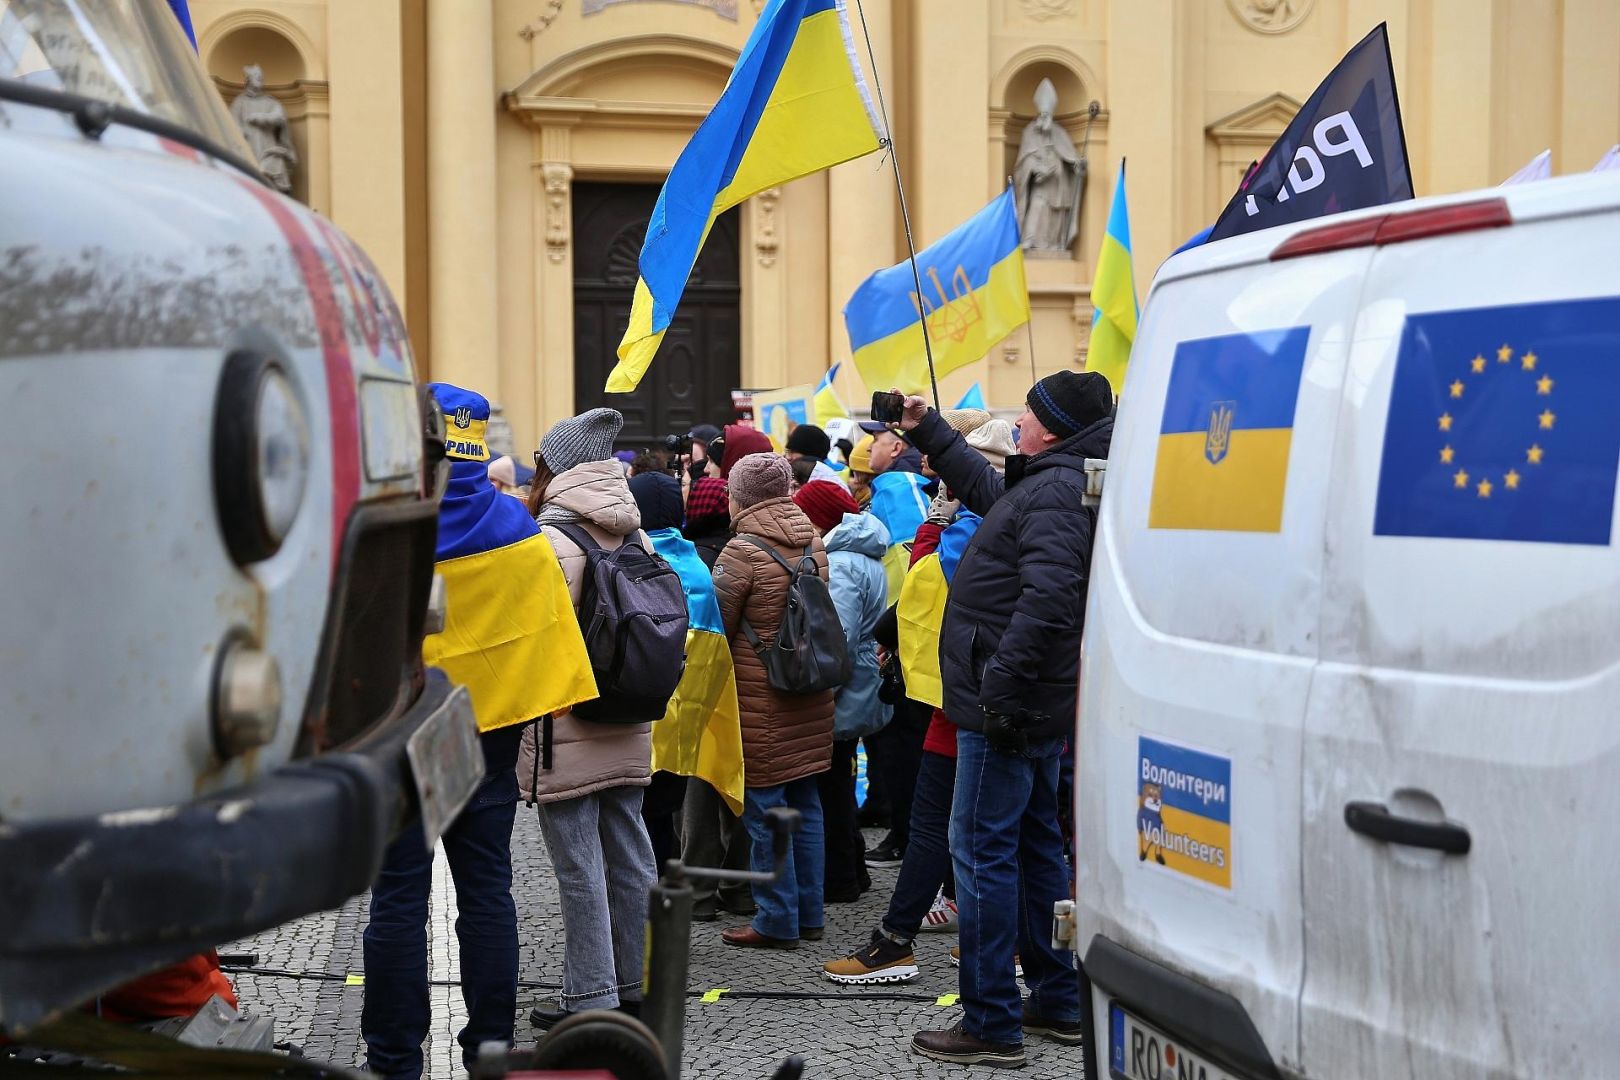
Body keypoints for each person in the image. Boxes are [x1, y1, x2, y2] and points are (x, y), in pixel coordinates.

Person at [366, 384, 593, 1080]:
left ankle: (394, 1059)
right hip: (488, 733)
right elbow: (548, 636)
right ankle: (491, 1051)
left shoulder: (389, 526)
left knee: (398, 895)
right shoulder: (520, 530)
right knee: (487, 890)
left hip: (403, 733)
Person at [898, 371, 1113, 1068]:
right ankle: (1054, 997)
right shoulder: (1054, 479)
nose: (1016, 419)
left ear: (1049, 424)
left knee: (982, 854)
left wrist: (999, 682)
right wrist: (930, 432)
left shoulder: (1052, 489)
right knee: (1034, 847)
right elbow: (994, 497)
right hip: (1030, 704)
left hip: (1006, 710)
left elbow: (1050, 601)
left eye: (1026, 410)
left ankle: (990, 1021)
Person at [822, 415, 1018, 989]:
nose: (933, 474)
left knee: (977, 832)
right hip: (953, 692)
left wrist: (936, 528)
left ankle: (980, 951)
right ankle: (908, 940)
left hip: (971, 695)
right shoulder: (981, 515)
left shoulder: (980, 525)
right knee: (955, 826)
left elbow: (931, 578)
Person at [520, 407, 658, 1029]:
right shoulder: (635, 531)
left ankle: (592, 997)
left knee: (579, 867)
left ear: (558, 468)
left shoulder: (551, 538)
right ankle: (639, 982)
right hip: (628, 711)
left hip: (568, 720)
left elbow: (533, 636)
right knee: (632, 854)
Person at [714, 453, 836, 949]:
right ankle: (809, 913)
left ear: (741, 494)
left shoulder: (740, 551)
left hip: (761, 697)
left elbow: (718, 626)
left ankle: (776, 919)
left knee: (765, 812)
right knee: (806, 805)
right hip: (809, 691)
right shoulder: (812, 538)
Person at [793, 480, 889, 904]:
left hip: (845, 685)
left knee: (831, 782)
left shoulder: (844, 562)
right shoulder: (862, 553)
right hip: (860, 679)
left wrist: (821, 692)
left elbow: (840, 636)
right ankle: (853, 870)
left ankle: (840, 878)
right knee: (840, 778)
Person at [628, 470, 693, 871]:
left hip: (645, 710)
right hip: (688, 712)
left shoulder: (639, 561)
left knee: (648, 816)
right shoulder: (697, 562)